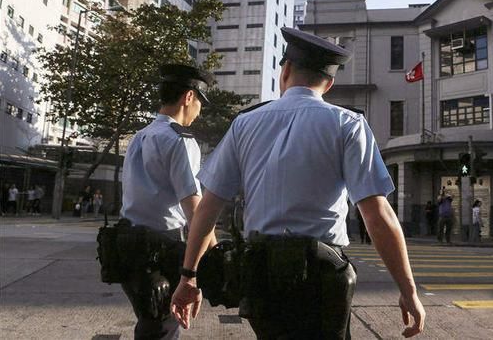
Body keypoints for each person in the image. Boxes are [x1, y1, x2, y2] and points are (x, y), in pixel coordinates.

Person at [171, 27, 425, 338]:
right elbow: (377, 215)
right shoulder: (348, 124)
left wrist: (188, 277)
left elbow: (207, 209)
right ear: (329, 83)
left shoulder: (245, 123)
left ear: (286, 70)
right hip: (322, 278)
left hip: (260, 277)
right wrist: (408, 290)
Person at [119, 63, 213, 340]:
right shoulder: (179, 140)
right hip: (163, 249)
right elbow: (196, 210)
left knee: (149, 324)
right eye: (201, 104)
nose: (199, 112)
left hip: (129, 245)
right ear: (188, 97)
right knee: (163, 327)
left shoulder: (140, 136)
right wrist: (211, 256)